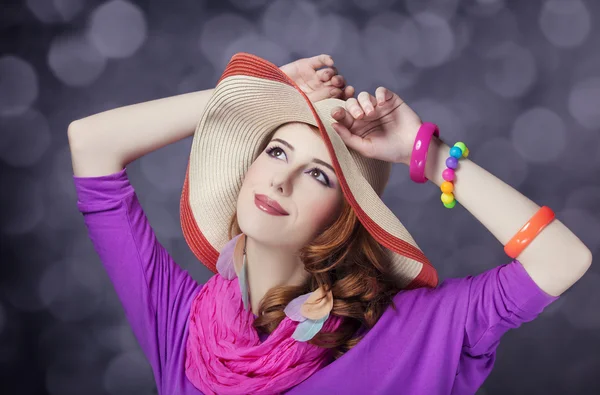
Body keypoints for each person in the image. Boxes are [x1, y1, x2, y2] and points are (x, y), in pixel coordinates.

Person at [68, 53, 592, 395]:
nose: (280, 180)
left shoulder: (418, 330)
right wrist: (258, 94)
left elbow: (563, 259)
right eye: (276, 150)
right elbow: (91, 143)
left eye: (318, 174)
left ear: (347, 215)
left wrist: (428, 158)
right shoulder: (181, 325)